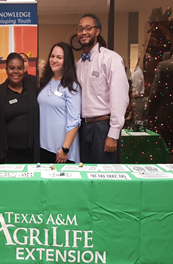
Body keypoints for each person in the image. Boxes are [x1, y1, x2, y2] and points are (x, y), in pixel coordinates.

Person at [75, 14, 129, 164]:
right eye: (80, 29)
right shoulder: (78, 65)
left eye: (88, 28)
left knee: (104, 177)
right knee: (85, 176)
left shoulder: (111, 59)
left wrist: (113, 133)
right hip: (84, 127)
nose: (83, 32)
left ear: (97, 31)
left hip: (103, 127)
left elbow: (120, 97)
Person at [0, 53, 40, 164]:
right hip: (7, 155)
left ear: (24, 70)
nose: (16, 72)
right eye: (12, 68)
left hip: (30, 154)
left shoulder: (32, 90)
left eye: (19, 68)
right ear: (6, 70)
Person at [38, 42, 81, 164]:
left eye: (59, 57)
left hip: (62, 151)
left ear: (66, 61)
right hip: (44, 147)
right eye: (52, 56)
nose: (54, 60)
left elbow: (74, 121)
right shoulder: (45, 82)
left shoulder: (72, 87)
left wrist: (65, 149)